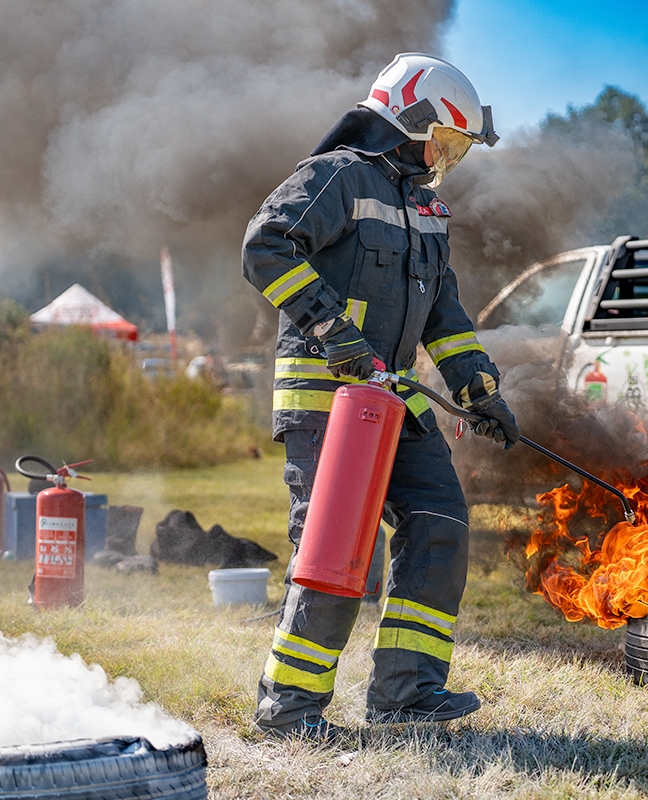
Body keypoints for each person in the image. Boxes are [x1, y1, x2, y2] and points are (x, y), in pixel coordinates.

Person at [241, 53, 519, 741]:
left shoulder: (428, 208)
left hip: (392, 396)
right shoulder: (337, 176)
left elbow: (443, 311)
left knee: (440, 521)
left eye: (456, 148)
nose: (446, 157)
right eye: (444, 140)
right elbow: (265, 245)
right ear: (409, 120)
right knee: (338, 545)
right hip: (328, 398)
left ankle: (407, 694)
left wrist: (479, 386)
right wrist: (332, 330)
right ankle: (290, 709)